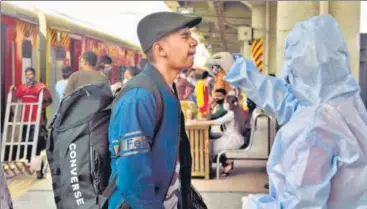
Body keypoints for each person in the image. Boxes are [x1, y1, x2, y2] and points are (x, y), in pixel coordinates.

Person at [208, 15, 367, 208]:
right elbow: (287, 102)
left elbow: (299, 204)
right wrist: (241, 72)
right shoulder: (346, 104)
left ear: (298, 67)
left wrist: (253, 205)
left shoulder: (315, 127)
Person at [108, 12, 202, 209]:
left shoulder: (166, 90)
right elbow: (133, 180)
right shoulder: (140, 97)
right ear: (161, 49)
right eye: (185, 37)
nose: (194, 42)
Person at [10, 67, 53, 179]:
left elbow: (49, 100)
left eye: (30, 74)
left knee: (38, 146)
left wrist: (41, 109)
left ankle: (39, 170)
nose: (28, 77)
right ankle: (33, 165)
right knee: (28, 145)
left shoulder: (41, 87)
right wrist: (12, 89)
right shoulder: (22, 88)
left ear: (34, 75)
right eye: (26, 75)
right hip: (26, 121)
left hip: (38, 121)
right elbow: (16, 94)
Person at [193, 95, 246, 177]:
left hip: (232, 139)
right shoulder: (236, 112)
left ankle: (222, 164)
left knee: (211, 146)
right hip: (234, 138)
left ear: (229, 104)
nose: (224, 104)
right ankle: (227, 163)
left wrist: (201, 123)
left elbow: (218, 121)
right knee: (210, 142)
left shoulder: (231, 114)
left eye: (225, 102)